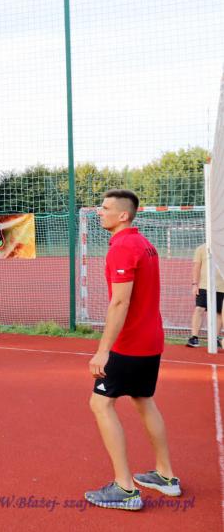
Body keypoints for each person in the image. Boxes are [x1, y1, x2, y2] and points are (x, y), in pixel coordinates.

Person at [85, 189, 180, 511]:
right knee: (143, 399)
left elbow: (120, 302)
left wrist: (103, 350)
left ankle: (124, 488)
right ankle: (166, 475)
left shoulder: (123, 247)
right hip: (151, 340)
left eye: (105, 207)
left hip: (130, 344)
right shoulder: (144, 244)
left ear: (123, 215)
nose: (100, 212)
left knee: (100, 404)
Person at [187, 243, 224, 349]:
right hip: (205, 285)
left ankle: (214, 338)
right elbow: (196, 267)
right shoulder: (201, 248)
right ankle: (194, 337)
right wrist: (195, 284)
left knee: (218, 313)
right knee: (199, 308)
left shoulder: (221, 248)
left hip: (221, 286)